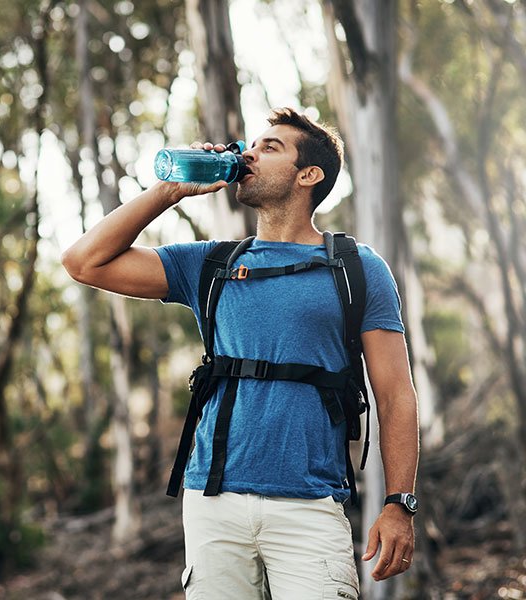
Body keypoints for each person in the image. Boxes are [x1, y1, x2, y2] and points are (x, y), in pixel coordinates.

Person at [62, 107, 419, 599]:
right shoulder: (208, 264)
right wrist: (169, 191)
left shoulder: (356, 268)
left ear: (308, 175)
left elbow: (396, 394)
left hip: (311, 505)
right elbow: (83, 262)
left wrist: (400, 502)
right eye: (251, 144)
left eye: (270, 147)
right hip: (213, 503)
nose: (248, 153)